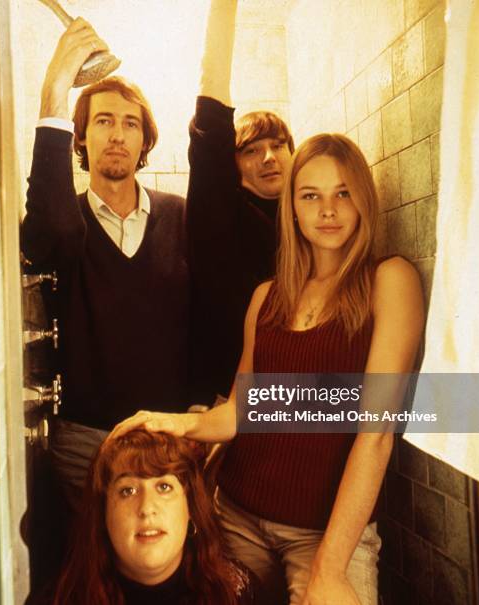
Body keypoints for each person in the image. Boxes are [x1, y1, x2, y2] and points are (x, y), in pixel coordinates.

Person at [111, 134, 425, 605]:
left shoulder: (388, 281)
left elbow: (375, 434)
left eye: (343, 192)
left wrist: (330, 566)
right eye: (311, 195)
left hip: (329, 532)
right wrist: (173, 422)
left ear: (364, 198)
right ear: (292, 208)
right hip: (236, 515)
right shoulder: (266, 298)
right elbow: (242, 412)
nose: (328, 210)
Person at [20, 18, 190, 503]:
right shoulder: (66, 223)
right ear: (80, 138)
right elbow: (44, 233)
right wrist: (54, 92)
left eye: (130, 123)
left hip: (168, 435)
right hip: (84, 440)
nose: (117, 134)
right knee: (93, 572)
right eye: (103, 121)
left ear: (144, 142)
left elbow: (207, 316)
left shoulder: (180, 216)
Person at [187, 0, 295, 404]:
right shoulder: (223, 216)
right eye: (251, 150)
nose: (268, 157)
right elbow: (211, 126)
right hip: (230, 402)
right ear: (231, 166)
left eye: (278, 145)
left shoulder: (310, 220)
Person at [53, 429, 255, 604]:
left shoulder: (236, 592)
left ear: (191, 509)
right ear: (103, 515)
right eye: (127, 491)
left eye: (164, 487)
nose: (147, 507)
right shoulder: (64, 597)